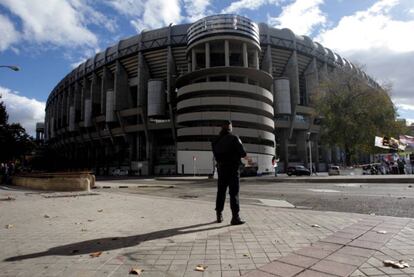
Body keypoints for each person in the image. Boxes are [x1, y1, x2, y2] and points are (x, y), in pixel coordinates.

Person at [212, 120, 247, 225]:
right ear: (230, 127)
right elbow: (243, 153)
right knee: (234, 193)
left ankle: (219, 215)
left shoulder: (215, 141)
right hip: (233, 169)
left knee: (221, 192)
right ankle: (235, 217)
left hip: (221, 169)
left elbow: (216, 156)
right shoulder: (234, 138)